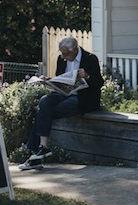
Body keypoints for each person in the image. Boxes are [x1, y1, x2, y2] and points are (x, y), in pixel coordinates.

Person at [20, 36, 103, 170]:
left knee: (45, 112)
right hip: (64, 94)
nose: (64, 57)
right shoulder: (61, 59)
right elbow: (60, 79)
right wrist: (48, 80)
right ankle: (42, 147)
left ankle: (37, 153)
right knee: (44, 102)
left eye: (66, 54)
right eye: (62, 54)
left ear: (75, 50)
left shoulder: (90, 58)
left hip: (83, 98)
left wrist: (87, 76)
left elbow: (99, 83)